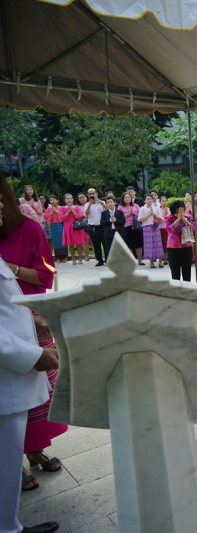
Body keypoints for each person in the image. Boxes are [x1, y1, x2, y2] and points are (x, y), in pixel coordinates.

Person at [0, 185, 61, 533]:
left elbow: (44, 275)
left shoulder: (28, 228)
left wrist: (33, 319)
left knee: (33, 415)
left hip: (27, 337)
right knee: (6, 455)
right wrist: (30, 354)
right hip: (13, 360)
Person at [163, 200, 195, 282]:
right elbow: (169, 229)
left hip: (186, 246)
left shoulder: (188, 217)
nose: (180, 212)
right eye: (178, 210)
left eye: (182, 210)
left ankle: (187, 290)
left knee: (187, 272)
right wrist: (178, 219)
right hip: (173, 248)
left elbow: (193, 228)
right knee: (175, 274)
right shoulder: (168, 218)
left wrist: (183, 219)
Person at [138, 195, 164, 268]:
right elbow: (140, 219)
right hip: (147, 227)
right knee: (149, 244)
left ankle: (160, 261)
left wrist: (154, 215)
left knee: (158, 243)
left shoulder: (156, 208)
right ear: (145, 200)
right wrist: (149, 213)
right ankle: (151, 262)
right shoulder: (142, 209)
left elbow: (161, 219)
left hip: (155, 227)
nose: (149, 200)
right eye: (147, 199)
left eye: (150, 199)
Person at [60, 193, 87, 265]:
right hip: (67, 227)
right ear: (64, 200)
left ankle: (80, 258)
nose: (69, 200)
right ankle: (73, 259)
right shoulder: (62, 208)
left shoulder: (77, 207)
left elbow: (79, 217)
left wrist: (72, 210)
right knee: (70, 244)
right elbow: (61, 218)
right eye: (67, 199)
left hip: (76, 226)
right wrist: (68, 211)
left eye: (70, 198)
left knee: (79, 244)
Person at [84, 188, 106, 266]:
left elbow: (108, 210)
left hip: (102, 226)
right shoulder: (87, 204)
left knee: (105, 243)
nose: (91, 195)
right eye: (89, 194)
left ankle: (107, 259)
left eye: (93, 193)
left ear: (96, 194)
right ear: (87, 195)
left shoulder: (102, 202)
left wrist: (101, 203)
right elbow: (86, 214)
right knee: (96, 244)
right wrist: (89, 205)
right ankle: (99, 260)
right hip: (92, 226)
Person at [119, 193, 143, 265]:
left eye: (128, 197)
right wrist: (129, 213)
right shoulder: (120, 207)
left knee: (138, 244)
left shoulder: (136, 205)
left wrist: (134, 213)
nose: (127, 199)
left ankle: (140, 260)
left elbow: (141, 215)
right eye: (125, 197)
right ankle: (131, 261)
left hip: (136, 227)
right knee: (129, 244)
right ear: (123, 199)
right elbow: (120, 217)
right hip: (127, 227)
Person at [43, 195, 67, 263]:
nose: (52, 201)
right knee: (55, 242)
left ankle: (64, 256)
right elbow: (46, 217)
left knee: (62, 241)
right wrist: (52, 212)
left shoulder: (61, 208)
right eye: (51, 200)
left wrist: (56, 212)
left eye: (54, 200)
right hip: (53, 225)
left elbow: (63, 217)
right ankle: (58, 257)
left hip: (60, 225)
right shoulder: (49, 208)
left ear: (57, 200)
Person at [75, 193, 91, 262]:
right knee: (85, 241)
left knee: (94, 240)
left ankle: (97, 255)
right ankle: (86, 256)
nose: (82, 198)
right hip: (83, 224)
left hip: (91, 222)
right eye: (80, 198)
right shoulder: (77, 207)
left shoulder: (90, 204)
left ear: (86, 197)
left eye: (83, 197)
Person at [156, 196, 169, 261]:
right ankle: (161, 258)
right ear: (160, 202)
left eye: (165, 201)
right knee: (160, 244)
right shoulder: (158, 210)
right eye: (162, 201)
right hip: (159, 228)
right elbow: (158, 220)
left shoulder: (169, 209)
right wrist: (164, 215)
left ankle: (166, 259)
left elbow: (169, 219)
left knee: (166, 243)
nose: (164, 202)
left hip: (166, 229)